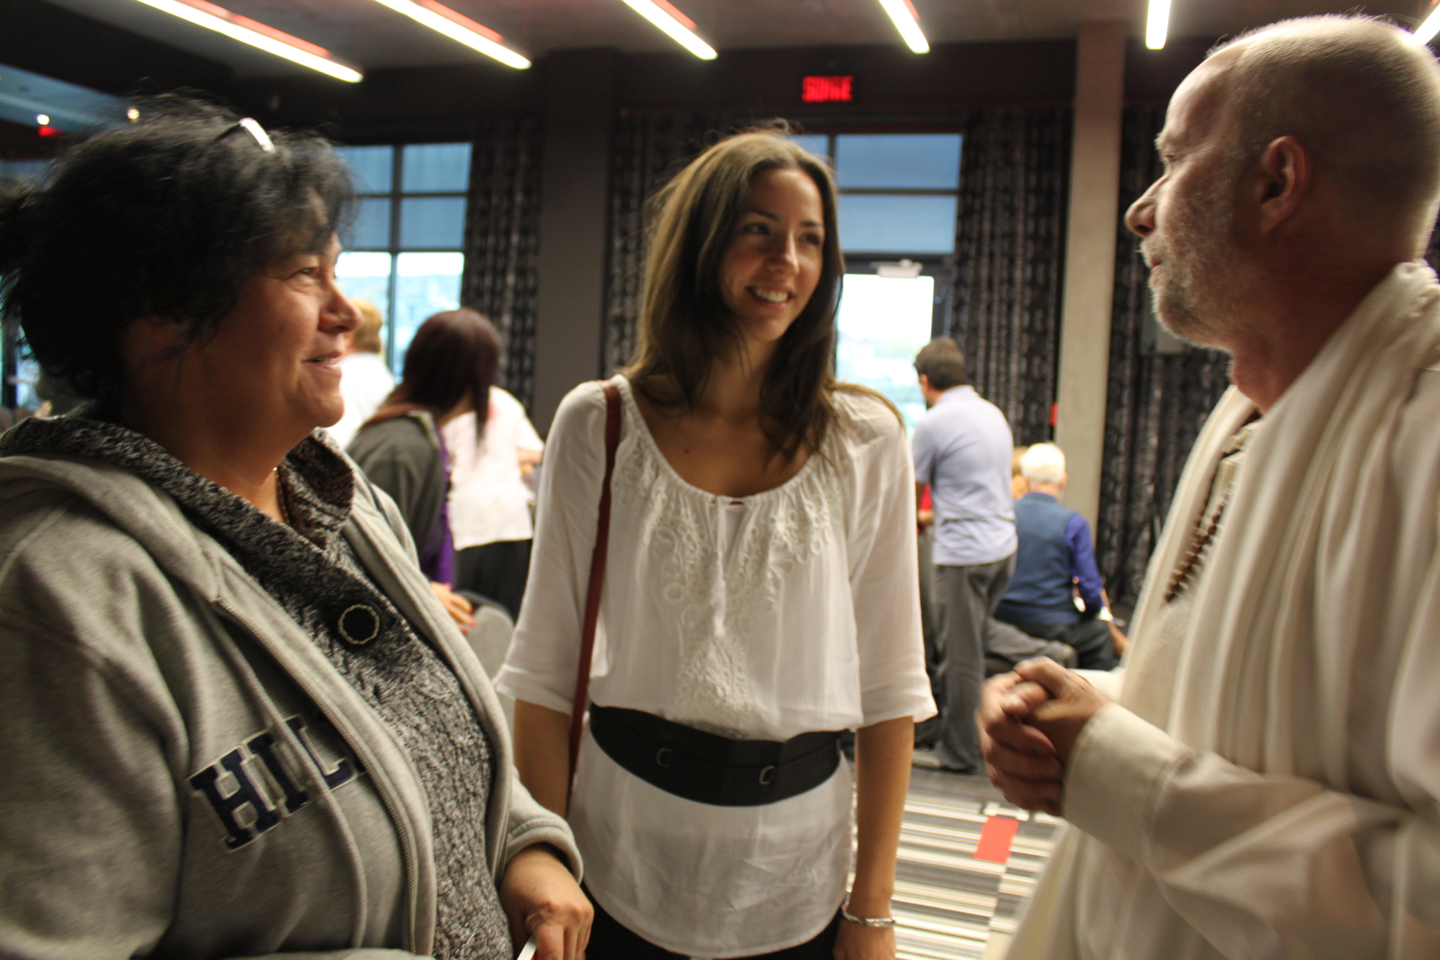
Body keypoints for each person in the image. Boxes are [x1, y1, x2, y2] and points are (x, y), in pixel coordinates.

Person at [0, 99, 590, 960]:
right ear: (162, 309)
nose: (346, 315)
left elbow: (445, 742)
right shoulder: (59, 602)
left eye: (336, 272)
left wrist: (526, 845)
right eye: (304, 275)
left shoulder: (344, 503)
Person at [982, 16, 1440, 958]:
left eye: (1175, 161)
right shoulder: (1251, 407)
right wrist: (1079, 707)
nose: (1140, 209)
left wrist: (1112, 765)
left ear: (1276, 182)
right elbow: (1242, 718)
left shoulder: (1423, 443)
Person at [496, 131, 934, 960]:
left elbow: (890, 688)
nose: (787, 262)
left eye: (811, 240)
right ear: (701, 243)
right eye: (758, 230)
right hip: (617, 858)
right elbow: (546, 677)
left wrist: (872, 909)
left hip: (795, 874)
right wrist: (544, 865)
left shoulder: (866, 439)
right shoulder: (601, 423)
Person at [348, 307, 500, 634]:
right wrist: (418, 590)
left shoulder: (415, 437)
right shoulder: (402, 448)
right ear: (475, 376)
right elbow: (357, 555)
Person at [911, 337, 1017, 773]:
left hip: (965, 556)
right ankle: (936, 727)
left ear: (924, 380)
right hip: (1002, 549)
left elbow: (907, 496)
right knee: (970, 640)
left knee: (961, 654)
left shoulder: (934, 423)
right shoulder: (990, 412)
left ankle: (960, 752)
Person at [992, 443, 1119, 671]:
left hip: (1002, 618)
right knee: (1099, 634)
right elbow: (1090, 588)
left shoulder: (1003, 516)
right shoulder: (1073, 523)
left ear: (1025, 479)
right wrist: (1088, 614)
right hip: (1053, 623)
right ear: (1063, 480)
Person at [443, 382, 544, 621]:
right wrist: (504, 456)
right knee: (504, 617)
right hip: (510, 518)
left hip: (467, 518)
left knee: (460, 614)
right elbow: (535, 451)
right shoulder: (507, 401)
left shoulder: (451, 401)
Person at [328, 297, 395, 448]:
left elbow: (337, 442)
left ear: (347, 339)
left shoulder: (343, 378)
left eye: (333, 331)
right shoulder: (382, 374)